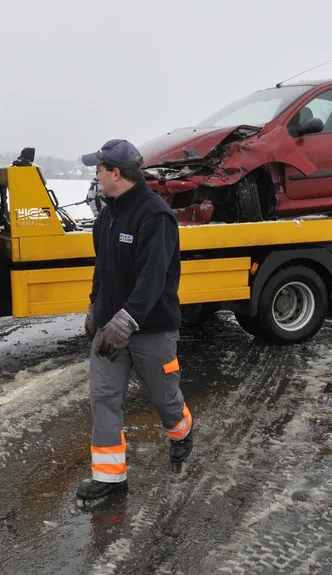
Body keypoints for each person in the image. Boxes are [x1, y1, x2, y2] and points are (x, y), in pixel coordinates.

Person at [75, 138, 193, 503]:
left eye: (98, 168)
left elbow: (153, 279)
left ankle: (181, 433)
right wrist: (96, 307)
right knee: (104, 397)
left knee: (162, 395)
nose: (95, 175)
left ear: (115, 172)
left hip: (149, 329)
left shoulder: (154, 216)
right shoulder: (109, 214)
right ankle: (111, 480)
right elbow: (103, 269)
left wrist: (126, 322)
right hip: (109, 328)